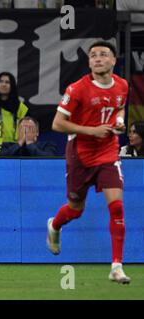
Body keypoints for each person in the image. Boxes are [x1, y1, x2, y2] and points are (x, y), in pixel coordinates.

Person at [47, 41, 131, 284]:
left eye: (103, 54)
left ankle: (116, 267)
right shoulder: (77, 89)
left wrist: (120, 121)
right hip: (80, 153)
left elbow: (120, 108)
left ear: (114, 60)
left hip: (108, 153)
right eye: (93, 55)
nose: (97, 58)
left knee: (116, 208)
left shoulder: (123, 86)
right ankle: (54, 225)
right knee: (75, 210)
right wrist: (91, 131)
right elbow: (57, 124)